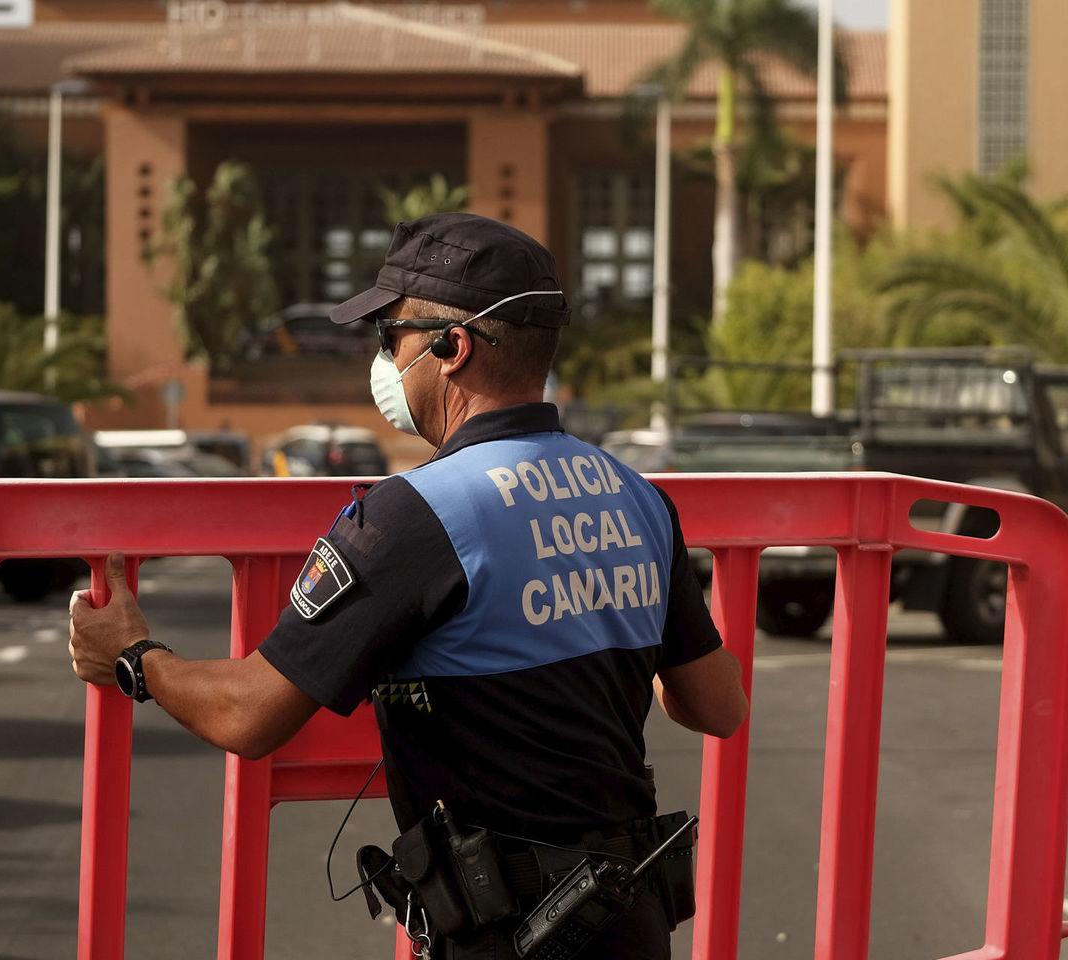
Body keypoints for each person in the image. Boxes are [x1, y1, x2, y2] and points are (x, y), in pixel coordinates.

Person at [69, 212, 749, 958]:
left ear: (450, 348)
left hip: (511, 936)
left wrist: (135, 658)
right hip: (632, 922)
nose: (385, 363)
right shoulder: (635, 496)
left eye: (390, 339)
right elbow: (715, 705)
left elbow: (249, 715)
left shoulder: (414, 518)